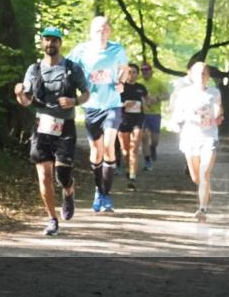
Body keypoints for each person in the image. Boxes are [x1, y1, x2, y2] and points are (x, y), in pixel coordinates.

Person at [14, 27, 90, 236]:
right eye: (47, 40)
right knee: (44, 176)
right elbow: (26, 100)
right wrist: (19, 93)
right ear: (42, 43)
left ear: (60, 43)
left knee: (61, 175)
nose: (50, 44)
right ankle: (51, 219)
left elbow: (86, 94)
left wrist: (74, 101)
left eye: (54, 40)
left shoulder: (72, 68)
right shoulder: (34, 69)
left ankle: (69, 189)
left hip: (65, 126)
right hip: (41, 127)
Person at [67, 16, 129, 213]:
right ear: (91, 32)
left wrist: (121, 82)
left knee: (110, 144)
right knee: (96, 151)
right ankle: (98, 189)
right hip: (91, 106)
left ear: (109, 31)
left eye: (104, 29)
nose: (101, 33)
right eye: (97, 30)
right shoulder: (81, 50)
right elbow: (66, 67)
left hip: (112, 104)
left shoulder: (117, 49)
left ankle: (106, 195)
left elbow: (125, 70)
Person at [171, 61, 222, 222]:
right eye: (198, 73)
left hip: (209, 136)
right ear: (191, 75)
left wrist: (218, 116)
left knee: (204, 172)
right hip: (190, 137)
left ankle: (202, 209)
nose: (201, 76)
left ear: (208, 76)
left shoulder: (214, 92)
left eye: (204, 73)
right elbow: (177, 115)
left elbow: (219, 111)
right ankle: (206, 192)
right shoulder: (184, 93)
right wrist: (189, 116)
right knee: (195, 177)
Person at [117, 63, 148, 191]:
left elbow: (146, 101)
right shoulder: (120, 87)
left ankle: (132, 177)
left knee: (134, 149)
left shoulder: (141, 87)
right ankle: (127, 166)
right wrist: (124, 104)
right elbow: (113, 102)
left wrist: (146, 103)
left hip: (138, 119)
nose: (132, 74)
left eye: (135, 72)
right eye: (129, 72)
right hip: (123, 120)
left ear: (137, 74)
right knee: (125, 150)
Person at [139, 62, 170, 171]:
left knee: (155, 140)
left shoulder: (158, 82)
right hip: (142, 114)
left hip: (155, 114)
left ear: (151, 71)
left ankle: (153, 148)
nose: (144, 72)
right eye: (142, 70)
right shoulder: (139, 83)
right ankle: (147, 161)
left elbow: (167, 95)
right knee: (144, 137)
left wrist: (156, 98)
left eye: (146, 70)